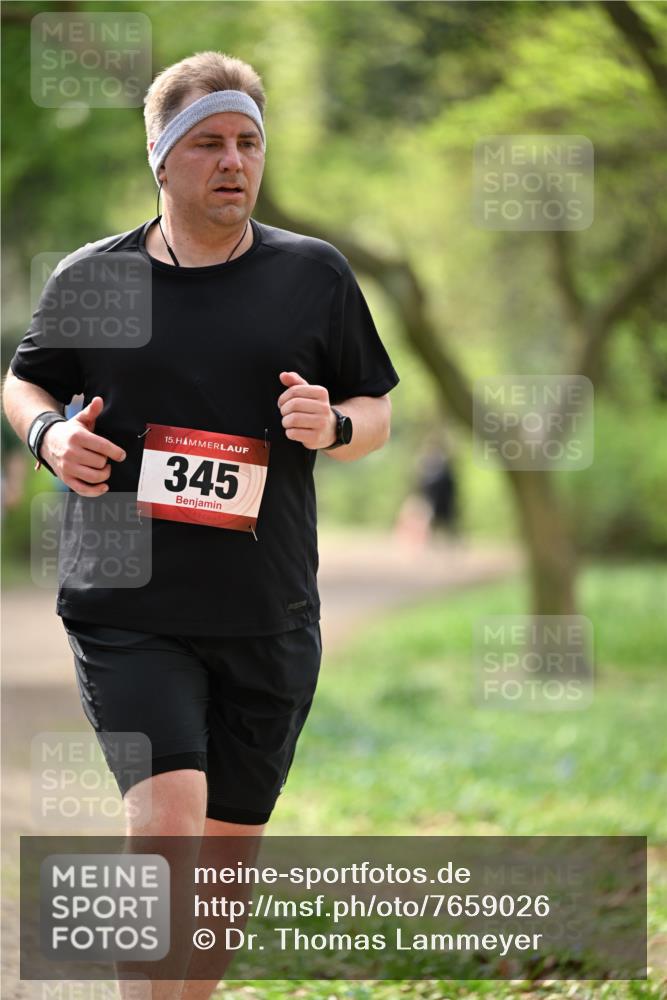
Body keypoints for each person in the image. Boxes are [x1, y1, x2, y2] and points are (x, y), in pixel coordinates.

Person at [2, 51, 399, 998]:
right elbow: (24, 382)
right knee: (168, 827)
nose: (233, 160)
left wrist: (334, 425)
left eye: (249, 142)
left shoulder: (314, 275)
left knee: (217, 875)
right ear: (160, 156)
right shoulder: (93, 279)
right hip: (126, 597)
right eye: (209, 142)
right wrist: (50, 436)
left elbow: (375, 411)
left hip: (265, 609)